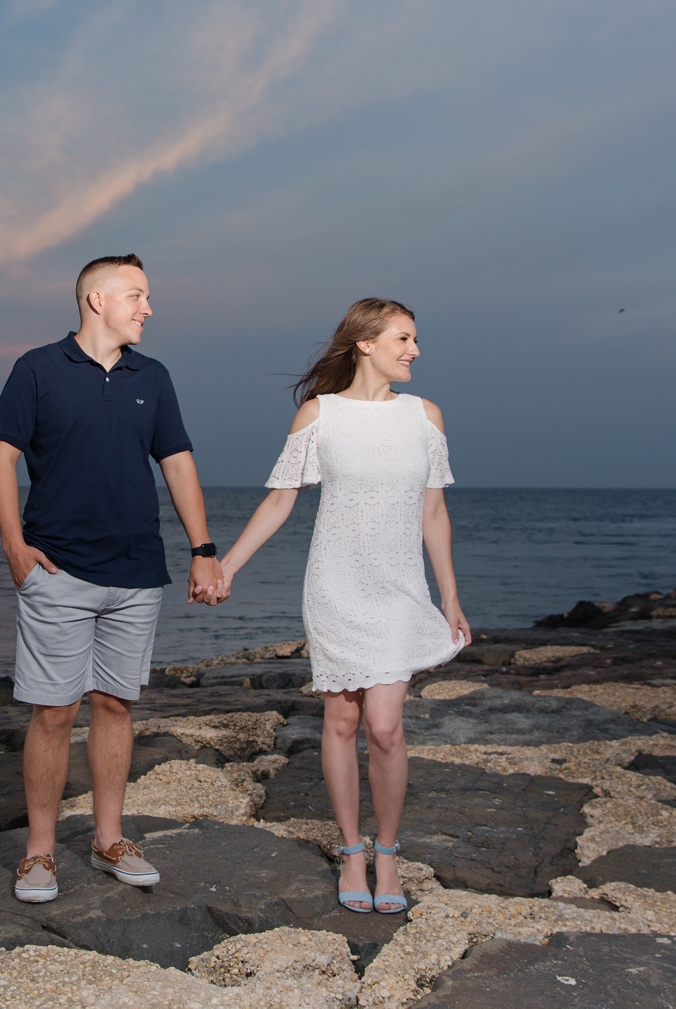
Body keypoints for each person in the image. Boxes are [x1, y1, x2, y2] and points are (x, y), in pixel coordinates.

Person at [0, 253, 227, 905]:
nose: (148, 308)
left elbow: (178, 464)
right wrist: (14, 545)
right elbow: (0, 454)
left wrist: (203, 550)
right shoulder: (37, 368)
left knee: (116, 705)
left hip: (137, 572)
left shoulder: (155, 376)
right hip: (57, 570)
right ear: (97, 300)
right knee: (54, 712)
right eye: (137, 296)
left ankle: (109, 838)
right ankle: (38, 852)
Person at [216, 297, 468, 914]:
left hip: (400, 589)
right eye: (404, 339)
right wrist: (226, 565)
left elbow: (433, 512)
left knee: (385, 726)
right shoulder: (319, 415)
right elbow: (280, 501)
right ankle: (352, 852)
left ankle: (389, 853)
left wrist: (451, 597)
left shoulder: (423, 416)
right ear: (366, 343)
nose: (414, 350)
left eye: (414, 340)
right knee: (342, 722)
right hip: (336, 584)